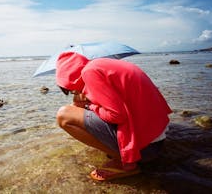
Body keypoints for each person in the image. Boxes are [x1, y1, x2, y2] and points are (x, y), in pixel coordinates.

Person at [55, 52, 172, 181]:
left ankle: (125, 161)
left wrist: (90, 106)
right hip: (155, 139)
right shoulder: (100, 65)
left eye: (71, 89)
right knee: (77, 109)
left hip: (145, 150)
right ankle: (120, 152)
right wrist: (90, 101)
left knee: (64, 115)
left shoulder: (89, 73)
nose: (74, 91)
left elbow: (117, 115)